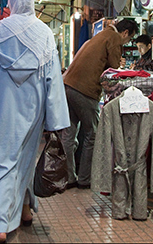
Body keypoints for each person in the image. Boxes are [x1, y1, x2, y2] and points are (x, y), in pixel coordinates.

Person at [0, 0, 70, 244]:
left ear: (13, 3)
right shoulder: (45, 32)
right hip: (33, 107)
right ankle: (25, 211)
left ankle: (1, 226)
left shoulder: (0, 30)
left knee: (1, 162)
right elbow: (53, 78)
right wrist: (56, 119)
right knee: (25, 159)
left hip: (2, 107)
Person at [59, 18, 138, 190]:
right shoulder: (114, 38)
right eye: (129, 39)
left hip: (67, 86)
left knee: (69, 135)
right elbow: (114, 68)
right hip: (84, 90)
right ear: (125, 33)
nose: (127, 42)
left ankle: (69, 177)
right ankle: (85, 179)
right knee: (91, 133)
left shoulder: (100, 35)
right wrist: (121, 64)